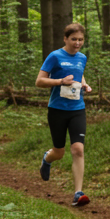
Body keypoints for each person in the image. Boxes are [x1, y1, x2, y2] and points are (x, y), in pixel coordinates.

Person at [35, 23, 94, 207]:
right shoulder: (55, 56)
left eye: (81, 40)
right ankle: (47, 158)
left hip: (77, 109)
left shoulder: (82, 57)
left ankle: (78, 193)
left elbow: (79, 74)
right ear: (65, 39)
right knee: (59, 152)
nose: (77, 43)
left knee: (78, 149)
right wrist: (60, 81)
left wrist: (84, 84)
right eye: (74, 39)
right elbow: (39, 81)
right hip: (57, 110)